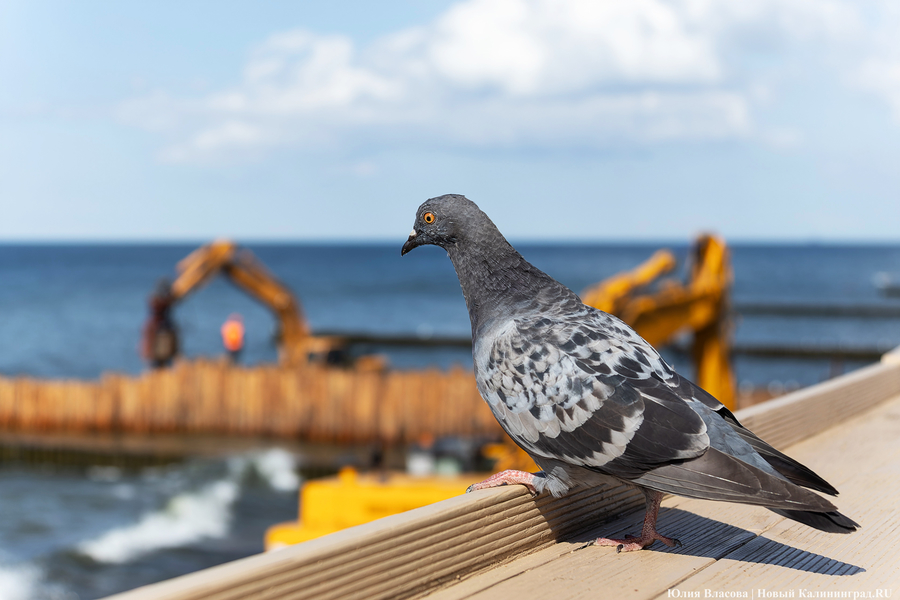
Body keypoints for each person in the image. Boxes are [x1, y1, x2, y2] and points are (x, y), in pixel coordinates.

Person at [141, 279, 179, 369]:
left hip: (162, 333)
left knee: (164, 362)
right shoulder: (158, 302)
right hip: (159, 333)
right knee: (157, 363)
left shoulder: (157, 301)